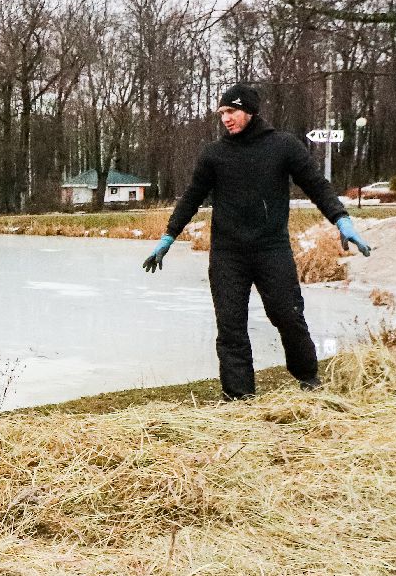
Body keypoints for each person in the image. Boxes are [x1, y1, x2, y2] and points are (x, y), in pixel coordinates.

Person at [143, 83, 373, 400]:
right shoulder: (214, 155)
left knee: (288, 315)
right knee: (231, 325)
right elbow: (191, 199)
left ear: (250, 111)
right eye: (222, 112)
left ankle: (308, 379)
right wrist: (168, 237)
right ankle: (239, 397)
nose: (226, 118)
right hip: (228, 255)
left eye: (232, 111)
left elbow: (317, 186)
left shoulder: (283, 146)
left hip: (271, 250)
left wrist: (341, 219)